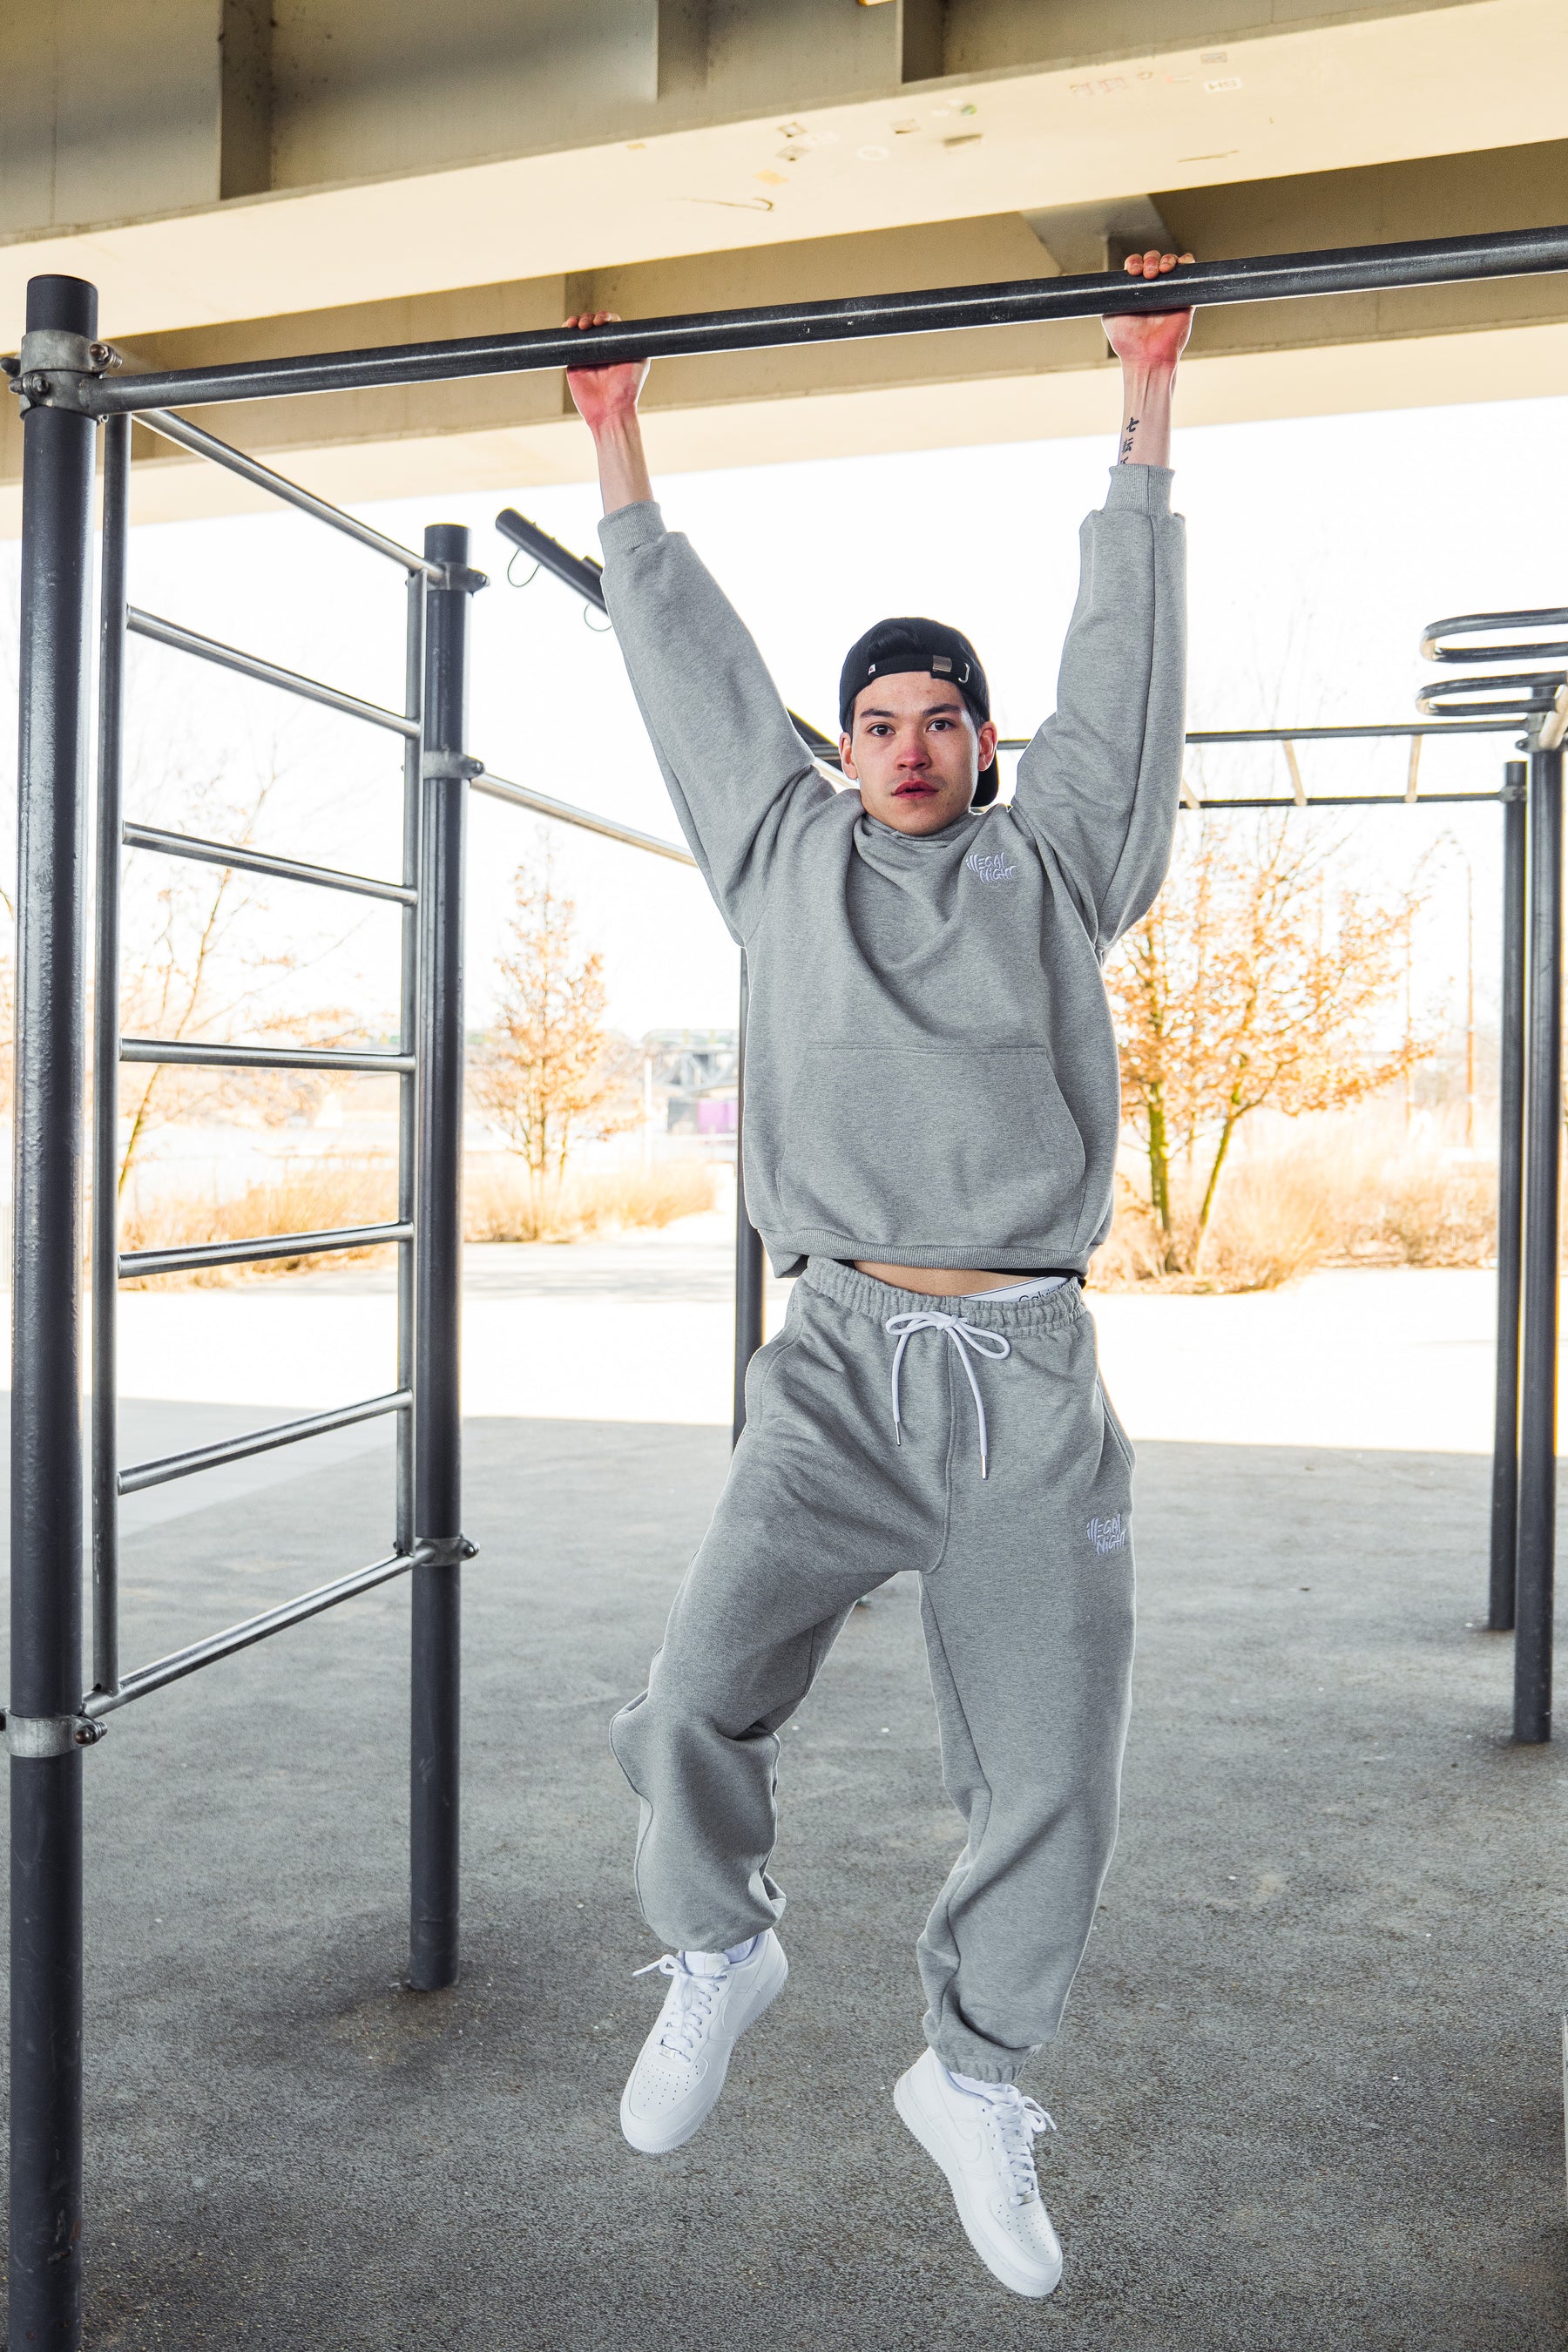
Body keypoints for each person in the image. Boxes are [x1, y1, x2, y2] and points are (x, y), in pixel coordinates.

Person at [561, 247, 1195, 2301]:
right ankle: (720, 1950)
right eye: (876, 721)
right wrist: (617, 442)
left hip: (1022, 1376)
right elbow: (686, 670)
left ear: (988, 742)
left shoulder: (1062, 860)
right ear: (839, 748)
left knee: (1056, 1778)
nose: (906, 746)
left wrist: (1147, 410)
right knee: (689, 1702)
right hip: (833, 1360)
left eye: (941, 719)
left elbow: (1126, 668)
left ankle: (973, 2077)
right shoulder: (782, 858)